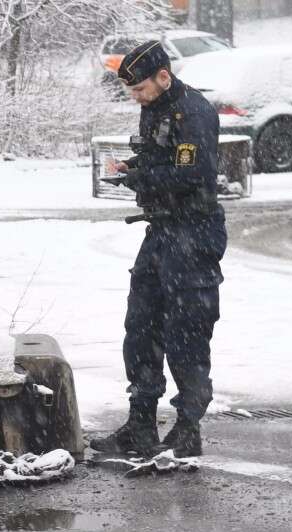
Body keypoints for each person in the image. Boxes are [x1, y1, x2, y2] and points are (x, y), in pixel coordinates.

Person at [89, 41, 227, 458]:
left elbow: (191, 174)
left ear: (163, 77)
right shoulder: (156, 107)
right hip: (162, 231)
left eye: (140, 90)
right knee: (142, 325)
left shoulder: (196, 113)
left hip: (194, 233)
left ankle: (188, 428)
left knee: (187, 333)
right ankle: (140, 424)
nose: (136, 98)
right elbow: (159, 158)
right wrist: (135, 167)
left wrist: (141, 179)